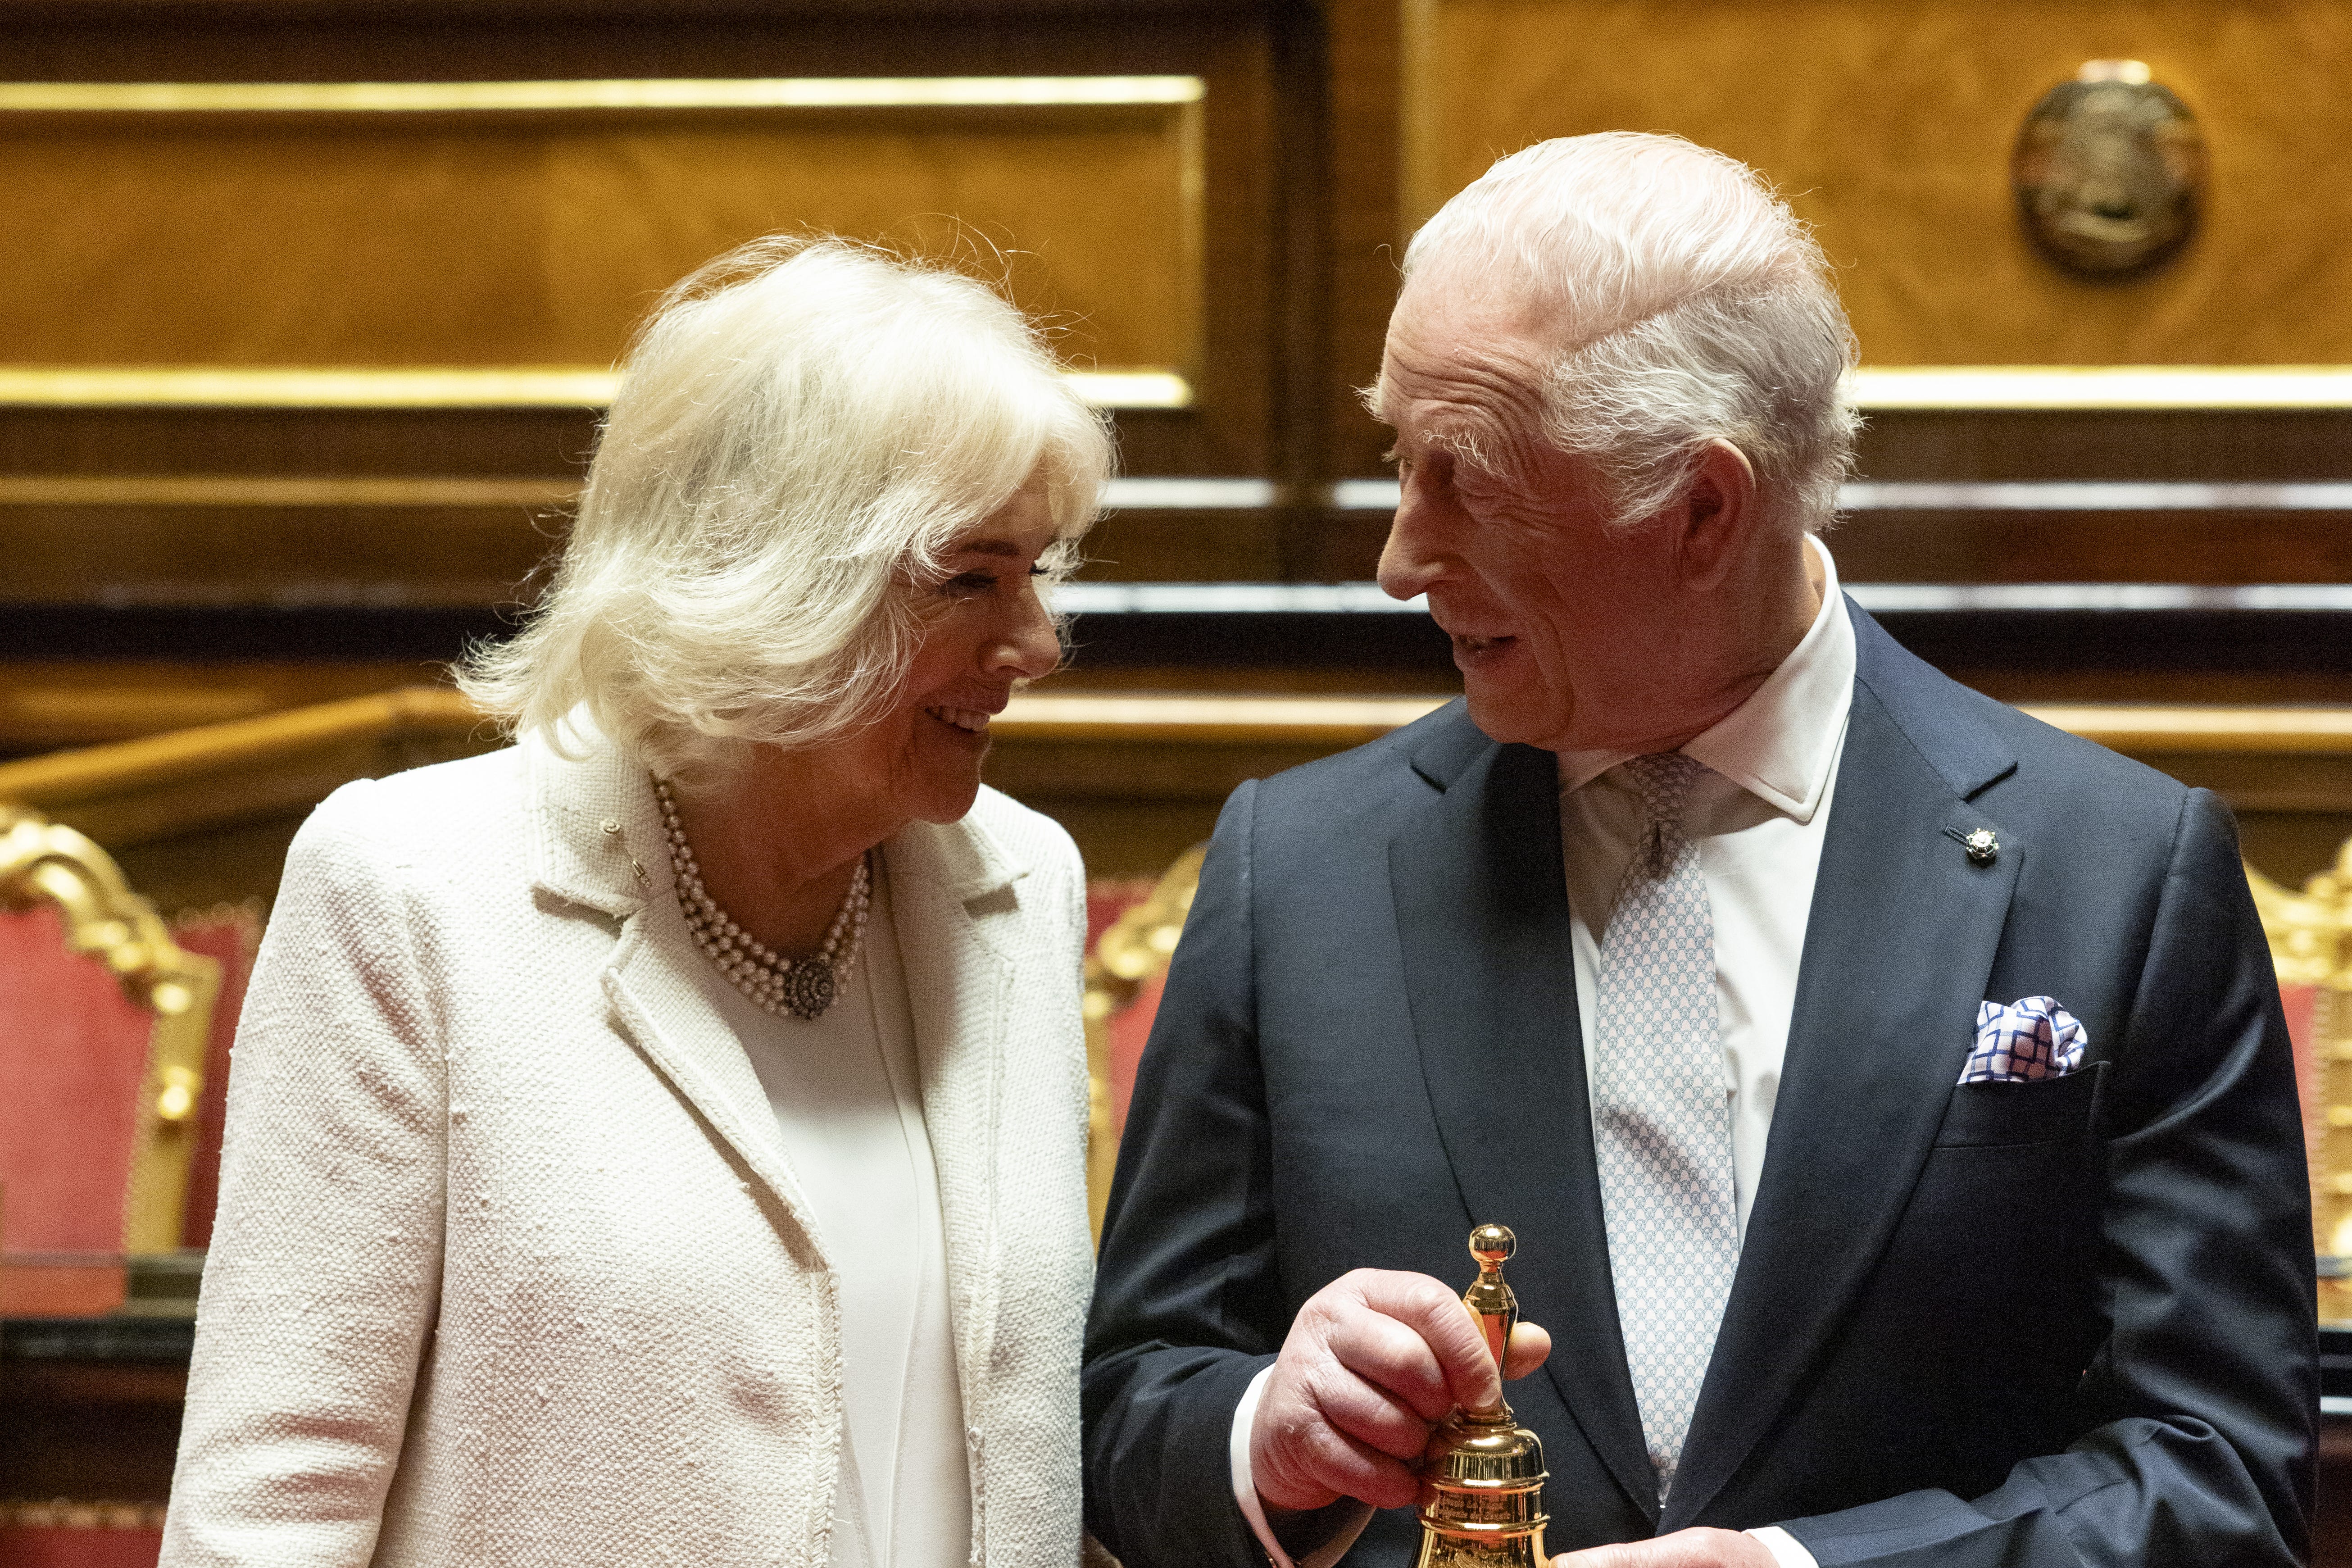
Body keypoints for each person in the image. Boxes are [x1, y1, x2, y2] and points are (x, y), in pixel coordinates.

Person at [1082, 134, 2314, 1568]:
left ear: (1703, 510)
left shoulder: (2120, 873)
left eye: (1468, 480)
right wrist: (1267, 1438)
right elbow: (1127, 1414)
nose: (1402, 559)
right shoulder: (1294, 869)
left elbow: (2218, 1475)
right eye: (1400, 463)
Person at [163, 237, 1113, 1568]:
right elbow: (271, 1502)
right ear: (773, 574)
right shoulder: (415, 890)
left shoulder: (1018, 888)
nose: (1038, 644)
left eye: (1039, 572)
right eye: (973, 577)